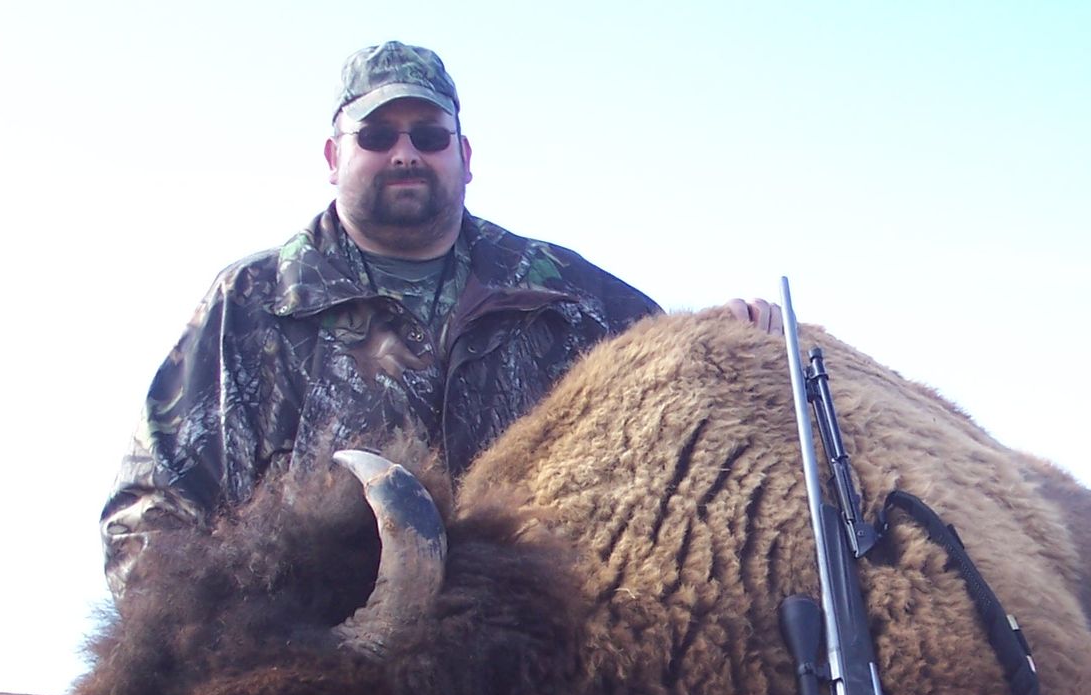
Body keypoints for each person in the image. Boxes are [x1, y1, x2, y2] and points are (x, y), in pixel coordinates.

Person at [100, 42, 777, 595]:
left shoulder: (568, 295)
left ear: (465, 157)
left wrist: (733, 337)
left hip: (531, 685)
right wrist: (208, 651)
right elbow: (150, 510)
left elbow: (671, 378)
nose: (405, 153)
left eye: (429, 135)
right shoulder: (251, 303)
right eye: (376, 135)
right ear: (334, 157)